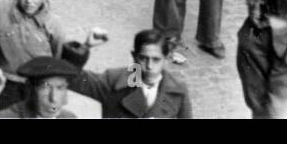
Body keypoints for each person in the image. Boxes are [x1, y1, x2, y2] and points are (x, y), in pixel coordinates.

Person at [63, 28, 193, 118]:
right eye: (143, 58)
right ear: (134, 56)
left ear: (166, 58)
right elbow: (73, 80)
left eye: (156, 59)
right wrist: (85, 46)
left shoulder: (178, 90)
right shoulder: (114, 82)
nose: (149, 66)